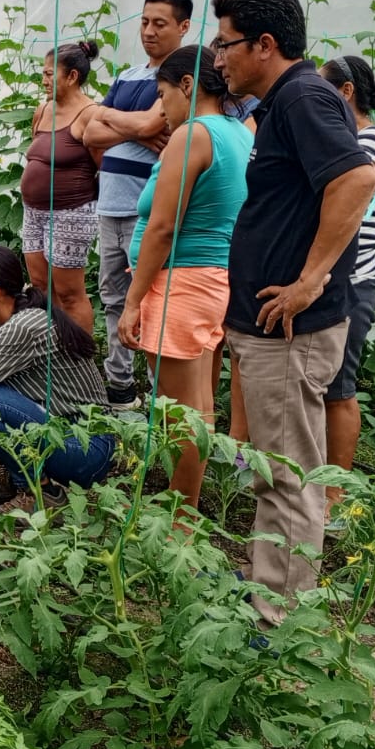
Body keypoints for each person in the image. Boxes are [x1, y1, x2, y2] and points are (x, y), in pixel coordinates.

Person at [213, 0, 375, 625]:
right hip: (272, 326)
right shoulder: (286, 100)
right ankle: (269, 580)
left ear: (265, 44)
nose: (218, 59)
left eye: (225, 44)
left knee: (289, 473)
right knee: (275, 467)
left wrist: (311, 279)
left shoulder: (304, 96)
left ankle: (277, 617)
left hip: (294, 327)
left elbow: (356, 177)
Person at [116, 47, 253, 515]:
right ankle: (185, 508)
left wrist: (133, 302)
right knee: (198, 404)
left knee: (179, 412)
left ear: (188, 86)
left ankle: (179, 518)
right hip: (209, 280)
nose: (162, 108)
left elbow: (162, 226)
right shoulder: (238, 132)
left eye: (162, 94)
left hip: (180, 284)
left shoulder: (193, 134)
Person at [84, 0, 192, 407]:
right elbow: (89, 131)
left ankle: (158, 396)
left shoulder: (182, 77)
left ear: (183, 26)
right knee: (113, 297)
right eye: (145, 22)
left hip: (144, 207)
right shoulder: (129, 74)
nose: (148, 31)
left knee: (148, 300)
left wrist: (111, 118)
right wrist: (135, 130)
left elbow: (149, 123)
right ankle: (120, 388)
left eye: (160, 23)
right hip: (109, 203)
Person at [0, 245, 113, 504]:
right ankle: (20, 477)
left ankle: (40, 492)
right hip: (56, 430)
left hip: (88, 448)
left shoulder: (25, 327)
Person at [319, 56, 375, 489]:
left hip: (352, 282)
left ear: (346, 92)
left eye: (323, 89)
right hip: (327, 278)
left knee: (338, 388)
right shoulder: (347, 138)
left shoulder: (374, 139)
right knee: (320, 385)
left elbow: (346, 192)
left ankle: (335, 495)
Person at [21, 41, 102, 333]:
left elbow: (101, 166)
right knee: (40, 286)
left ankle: (79, 354)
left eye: (49, 74)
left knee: (69, 293)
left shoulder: (91, 114)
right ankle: (52, 348)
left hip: (71, 213)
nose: (43, 80)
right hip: (34, 212)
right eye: (42, 73)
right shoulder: (43, 110)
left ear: (72, 77)